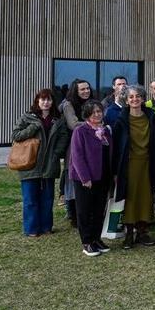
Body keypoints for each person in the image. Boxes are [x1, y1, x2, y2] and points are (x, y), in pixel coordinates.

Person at [12, 89, 70, 236]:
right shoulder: (27, 117)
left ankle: (46, 227)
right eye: (43, 99)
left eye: (49, 99)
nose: (46, 102)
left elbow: (64, 137)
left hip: (49, 163)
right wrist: (33, 127)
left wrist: (56, 153)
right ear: (37, 101)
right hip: (30, 164)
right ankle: (31, 229)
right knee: (30, 199)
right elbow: (16, 135)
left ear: (53, 102)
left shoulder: (58, 119)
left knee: (47, 198)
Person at [112, 85, 155, 249]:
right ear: (126, 100)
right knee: (130, 198)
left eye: (138, 96)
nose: (135, 99)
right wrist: (115, 171)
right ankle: (129, 233)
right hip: (129, 165)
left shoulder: (152, 117)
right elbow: (115, 147)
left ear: (143, 98)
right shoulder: (121, 121)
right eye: (131, 97)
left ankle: (143, 232)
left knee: (146, 197)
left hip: (148, 163)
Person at [68, 100, 113, 256]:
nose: (97, 114)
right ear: (87, 114)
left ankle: (96, 239)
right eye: (93, 112)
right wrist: (84, 178)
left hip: (103, 176)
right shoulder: (80, 131)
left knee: (99, 210)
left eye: (99, 111)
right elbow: (77, 156)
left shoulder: (105, 131)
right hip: (85, 178)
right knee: (85, 210)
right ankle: (87, 242)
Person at [61, 78, 94, 228]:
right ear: (76, 91)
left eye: (87, 88)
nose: (86, 91)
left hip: (91, 147)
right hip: (74, 146)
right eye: (82, 89)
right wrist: (93, 124)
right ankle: (73, 214)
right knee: (74, 180)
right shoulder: (68, 104)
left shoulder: (91, 103)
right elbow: (73, 124)